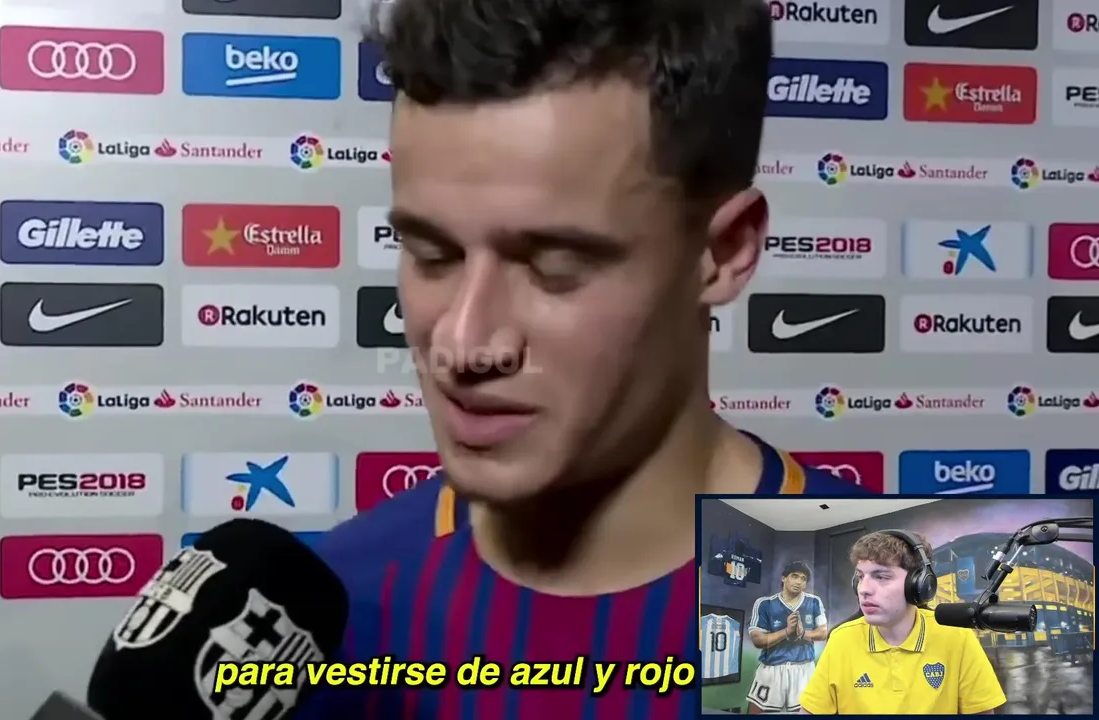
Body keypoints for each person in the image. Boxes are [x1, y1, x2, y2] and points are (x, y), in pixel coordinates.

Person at [303, 0, 868, 717]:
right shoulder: (330, 614)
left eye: (556, 266)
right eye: (430, 253)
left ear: (724, 252)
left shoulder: (908, 621)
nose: (464, 343)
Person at [798, 531, 1006, 715]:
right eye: (860, 577)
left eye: (881, 577)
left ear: (918, 585)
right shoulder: (841, 640)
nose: (864, 589)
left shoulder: (957, 637)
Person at [747, 561, 827, 714]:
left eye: (803, 579)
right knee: (759, 712)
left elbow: (823, 633)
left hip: (803, 668)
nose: (799, 582)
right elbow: (758, 640)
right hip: (772, 668)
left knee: (805, 711)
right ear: (784, 578)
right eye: (794, 576)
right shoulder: (765, 604)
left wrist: (802, 634)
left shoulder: (813, 602)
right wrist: (786, 631)